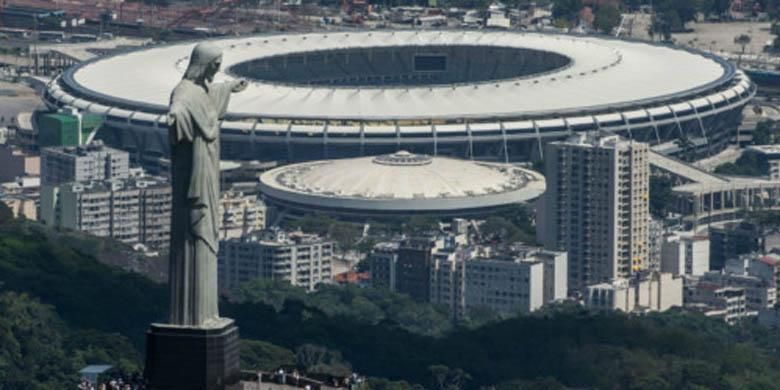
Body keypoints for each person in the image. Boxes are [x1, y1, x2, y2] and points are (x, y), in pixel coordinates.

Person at [167, 42, 247, 327]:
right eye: (215, 64)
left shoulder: (202, 90)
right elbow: (179, 106)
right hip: (195, 178)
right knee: (195, 240)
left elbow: (209, 96)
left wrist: (230, 87)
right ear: (203, 63)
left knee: (207, 244)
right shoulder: (184, 92)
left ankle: (207, 313)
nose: (217, 69)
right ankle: (192, 316)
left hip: (209, 172)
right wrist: (176, 116)